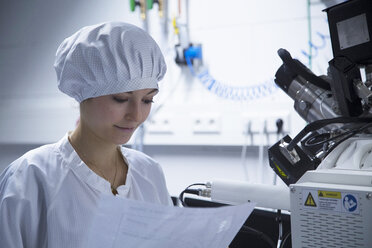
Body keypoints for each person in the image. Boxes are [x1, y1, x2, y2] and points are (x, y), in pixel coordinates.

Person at [0, 22, 172, 247]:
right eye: (121, 99)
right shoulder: (30, 177)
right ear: (84, 92)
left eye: (147, 100)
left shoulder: (149, 173)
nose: (137, 115)